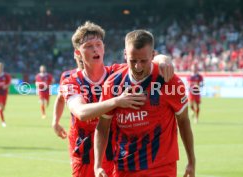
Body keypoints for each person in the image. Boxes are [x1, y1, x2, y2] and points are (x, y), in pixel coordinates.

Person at [53, 21, 174, 177]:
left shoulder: (117, 74)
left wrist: (163, 59)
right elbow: (81, 112)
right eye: (89, 46)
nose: (95, 49)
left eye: (98, 44)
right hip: (84, 157)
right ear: (78, 53)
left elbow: (142, 59)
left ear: (104, 48)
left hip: (116, 155)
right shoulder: (70, 81)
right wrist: (117, 101)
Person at [94, 30, 195, 177]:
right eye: (133, 60)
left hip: (161, 168)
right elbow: (102, 127)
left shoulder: (169, 81)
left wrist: (191, 161)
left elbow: (184, 121)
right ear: (125, 55)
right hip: (125, 167)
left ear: (153, 56)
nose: (138, 67)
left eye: (143, 61)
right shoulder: (113, 84)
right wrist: (97, 165)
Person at [52, 52, 84, 139]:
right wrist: (55, 121)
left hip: (104, 131)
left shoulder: (107, 74)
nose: (81, 57)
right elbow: (60, 99)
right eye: (79, 53)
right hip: (77, 135)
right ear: (75, 54)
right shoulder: (67, 76)